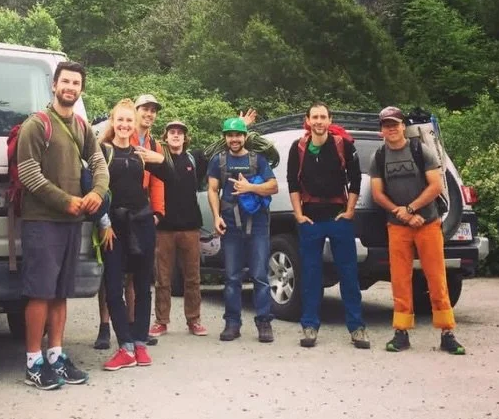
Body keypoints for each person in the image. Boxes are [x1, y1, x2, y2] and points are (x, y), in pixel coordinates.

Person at [16, 61, 111, 390]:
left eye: (76, 83)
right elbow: (28, 174)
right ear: (54, 86)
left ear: (81, 89)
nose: (70, 87)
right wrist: (65, 200)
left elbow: (99, 161)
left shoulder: (83, 127)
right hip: (43, 222)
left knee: (60, 294)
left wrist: (98, 192)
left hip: (72, 222)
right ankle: (33, 362)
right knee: (40, 294)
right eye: (65, 82)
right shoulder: (36, 125)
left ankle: (55, 355)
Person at [369, 106, 466, 355]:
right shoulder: (379, 157)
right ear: (381, 130)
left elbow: (435, 186)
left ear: (403, 126)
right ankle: (401, 333)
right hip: (398, 226)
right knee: (400, 281)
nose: (391, 128)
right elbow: (378, 193)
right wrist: (400, 212)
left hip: (428, 223)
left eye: (395, 123)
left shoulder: (419, 150)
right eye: (386, 125)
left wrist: (410, 209)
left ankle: (447, 333)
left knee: (436, 278)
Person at [286, 103, 370, 349]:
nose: (319, 121)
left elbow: (356, 180)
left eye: (323, 117)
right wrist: (299, 215)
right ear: (308, 120)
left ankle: (357, 328)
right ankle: (309, 326)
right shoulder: (298, 148)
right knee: (311, 276)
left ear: (330, 120)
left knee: (349, 275)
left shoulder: (343, 145)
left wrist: (350, 211)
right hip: (310, 221)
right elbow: (293, 182)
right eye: (315, 117)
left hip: (338, 218)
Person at [98, 99, 167, 370]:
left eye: (129, 121)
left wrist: (155, 214)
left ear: (134, 124)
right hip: (114, 227)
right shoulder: (103, 151)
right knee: (114, 288)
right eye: (121, 120)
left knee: (142, 286)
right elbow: (92, 187)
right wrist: (103, 223)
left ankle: (139, 343)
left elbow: (169, 177)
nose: (125, 125)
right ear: (113, 123)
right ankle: (124, 346)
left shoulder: (142, 153)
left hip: (142, 223)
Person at [207, 117, 278, 343]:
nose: (234, 139)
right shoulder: (218, 161)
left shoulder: (258, 160)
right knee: (232, 277)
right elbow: (212, 189)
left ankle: (264, 322)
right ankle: (232, 323)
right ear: (225, 137)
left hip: (257, 223)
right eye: (230, 135)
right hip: (230, 224)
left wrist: (250, 187)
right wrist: (216, 216)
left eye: (238, 135)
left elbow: (273, 186)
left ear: (245, 136)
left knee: (259, 275)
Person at [149, 120, 209, 339]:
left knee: (192, 278)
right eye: (172, 132)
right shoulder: (157, 160)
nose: (176, 135)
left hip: (191, 228)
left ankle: (194, 320)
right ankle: (161, 322)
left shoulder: (195, 159)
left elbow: (221, 144)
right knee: (162, 279)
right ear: (165, 137)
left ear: (185, 138)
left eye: (180, 133)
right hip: (163, 228)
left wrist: (241, 123)